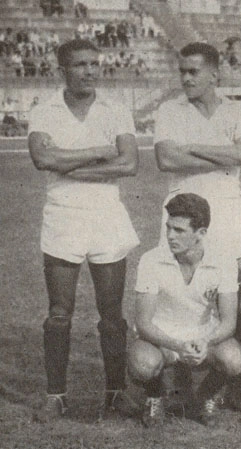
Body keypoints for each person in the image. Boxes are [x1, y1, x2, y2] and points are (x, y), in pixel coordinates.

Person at [27, 39, 140, 422]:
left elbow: (128, 164)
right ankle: (56, 395)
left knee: (112, 313)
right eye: (80, 65)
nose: (90, 71)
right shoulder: (45, 111)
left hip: (107, 214)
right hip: (63, 215)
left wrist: (69, 164)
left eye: (95, 63)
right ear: (62, 70)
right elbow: (43, 158)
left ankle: (116, 393)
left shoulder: (116, 108)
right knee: (59, 313)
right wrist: (99, 150)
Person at [128, 193, 241, 427]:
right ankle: (154, 397)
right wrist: (178, 345)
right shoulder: (151, 260)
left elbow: (229, 322)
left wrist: (205, 342)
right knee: (142, 364)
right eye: (168, 228)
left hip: (204, 337)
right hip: (162, 338)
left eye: (179, 230)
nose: (170, 236)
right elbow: (144, 323)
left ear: (201, 233)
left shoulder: (224, 261)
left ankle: (205, 397)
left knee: (233, 360)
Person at [154, 42, 241, 282]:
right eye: (182, 72)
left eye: (193, 72)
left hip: (226, 206)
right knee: (179, 279)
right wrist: (226, 156)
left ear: (214, 76)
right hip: (181, 207)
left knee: (232, 280)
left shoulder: (238, 110)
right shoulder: (169, 110)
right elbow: (167, 159)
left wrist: (194, 148)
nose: (186, 78)